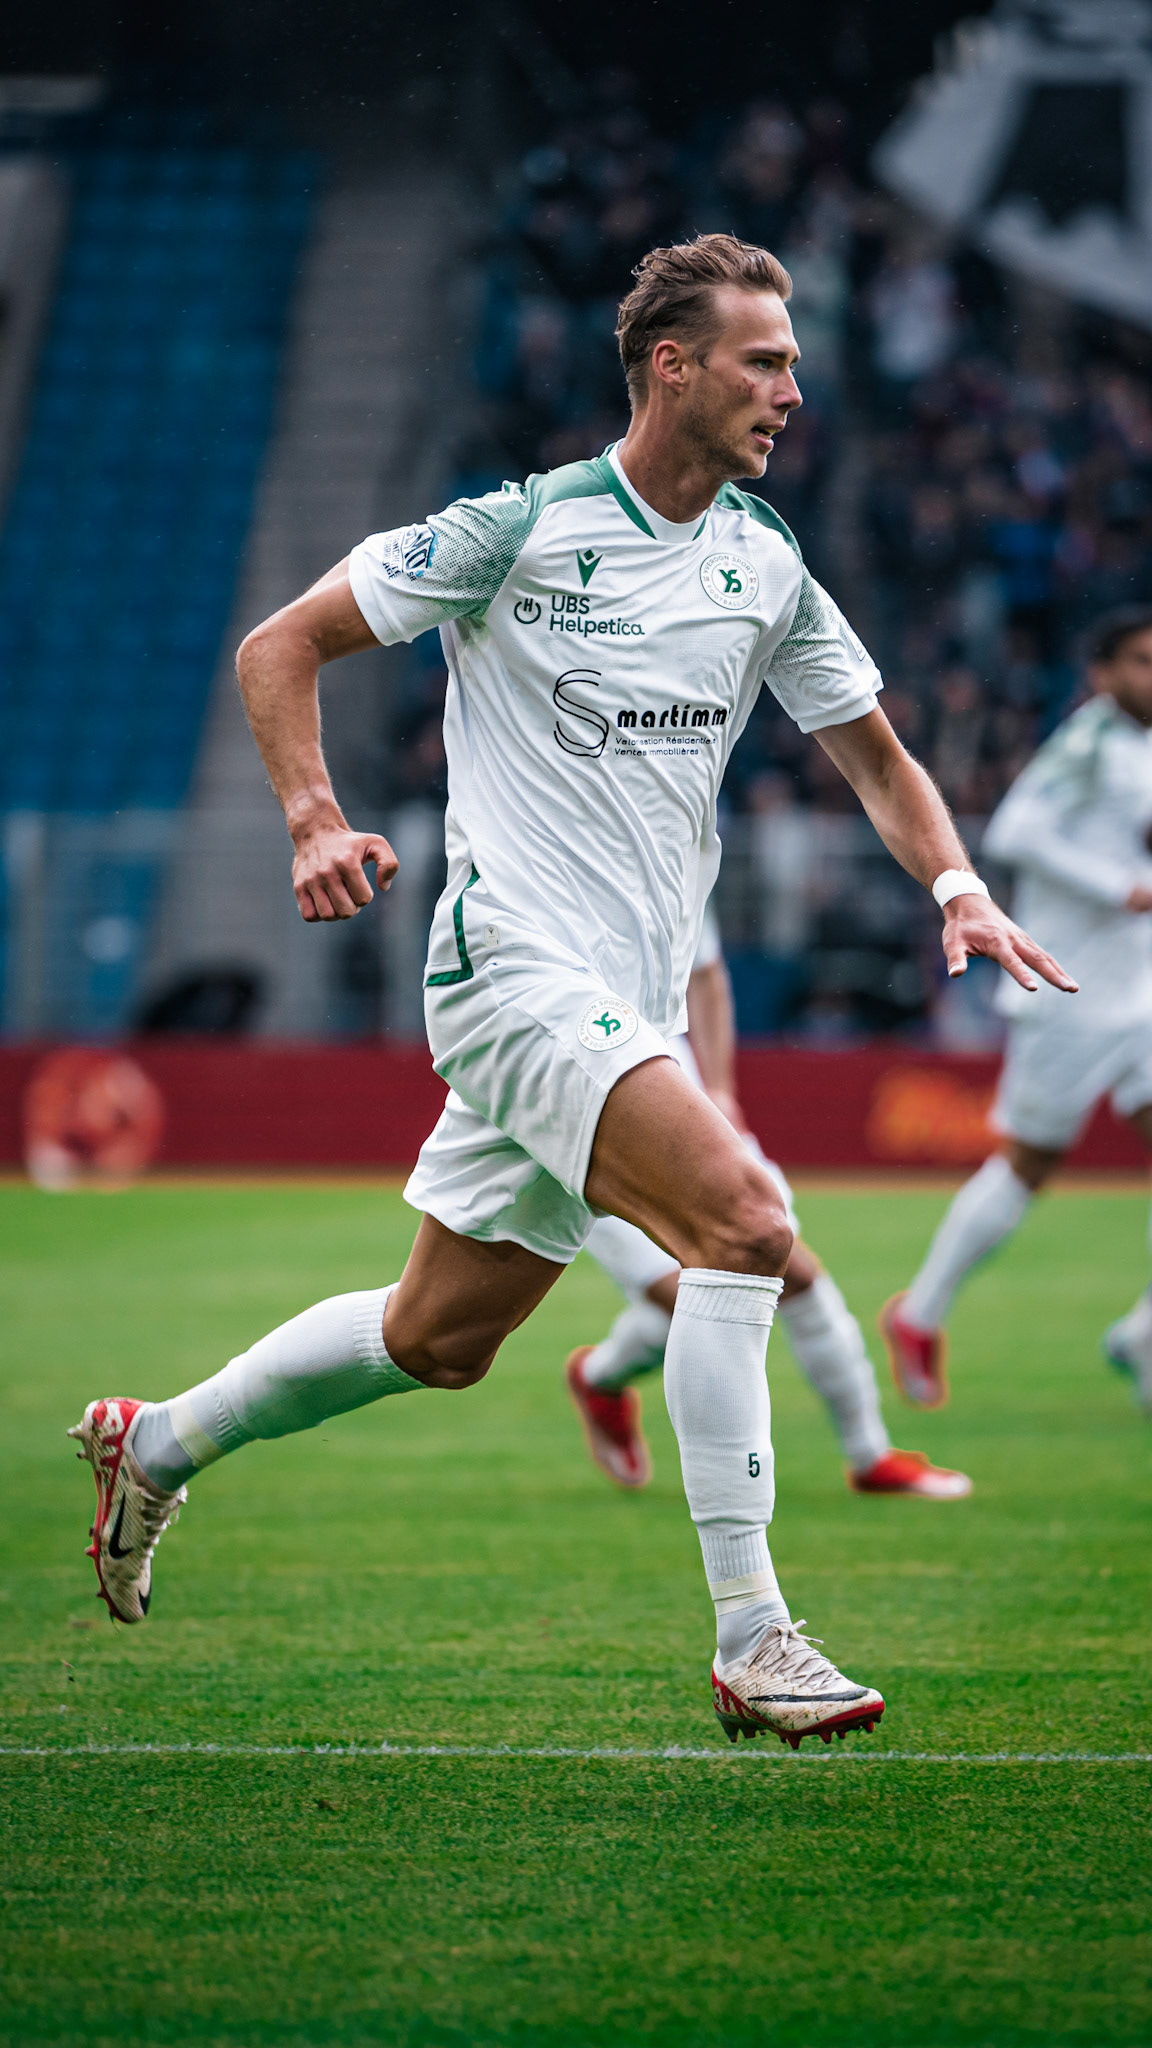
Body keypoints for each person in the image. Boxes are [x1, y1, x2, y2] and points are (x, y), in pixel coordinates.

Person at [70, 233, 1071, 1750]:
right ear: (672, 365)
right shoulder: (518, 531)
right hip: (512, 969)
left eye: (794, 361)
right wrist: (313, 817)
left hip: (630, 1000)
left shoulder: (764, 558)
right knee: (745, 1219)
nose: (794, 387)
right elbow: (283, 646)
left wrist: (958, 885)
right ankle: (755, 1639)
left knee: (437, 1339)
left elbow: (874, 751)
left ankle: (159, 1441)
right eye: (764, 360)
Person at [568, 902, 971, 1498]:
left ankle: (870, 1457)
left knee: (787, 1273)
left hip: (684, 1109)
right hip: (582, 1125)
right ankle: (602, 1378)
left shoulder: (671, 862)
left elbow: (705, 975)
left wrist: (723, 1092)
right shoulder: (543, 868)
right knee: (691, 1299)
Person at [882, 608, 1152, 1413]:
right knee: (1029, 1164)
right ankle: (920, 1314)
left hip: (1141, 991)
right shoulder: (1088, 742)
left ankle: (1142, 1333)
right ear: (1102, 675)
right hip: (1069, 993)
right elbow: (1017, 829)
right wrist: (1119, 887)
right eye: (1139, 661)